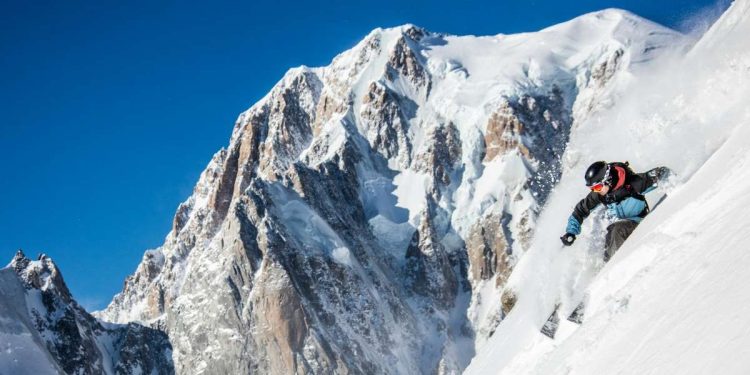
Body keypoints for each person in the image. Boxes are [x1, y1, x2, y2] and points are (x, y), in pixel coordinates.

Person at [560, 161, 670, 261]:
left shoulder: (633, 184)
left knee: (616, 229)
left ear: (607, 180)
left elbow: (662, 173)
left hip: (640, 222)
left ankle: (613, 266)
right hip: (619, 224)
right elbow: (581, 210)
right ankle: (604, 266)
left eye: (597, 187)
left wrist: (673, 188)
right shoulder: (601, 194)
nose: (596, 191)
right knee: (606, 232)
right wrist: (571, 231)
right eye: (592, 189)